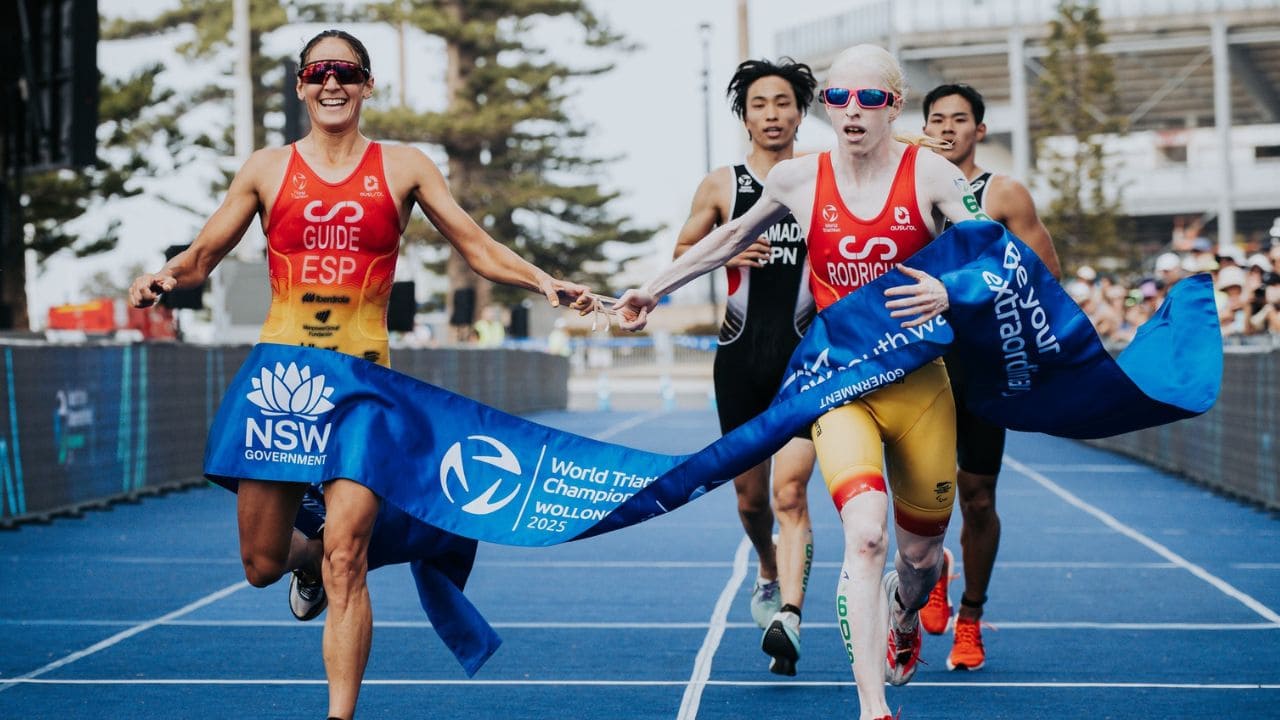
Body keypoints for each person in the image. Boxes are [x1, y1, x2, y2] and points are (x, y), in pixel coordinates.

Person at [127, 30, 594, 720]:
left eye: (346, 71)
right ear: (301, 87)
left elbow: (476, 246)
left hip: (364, 385)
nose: (332, 83)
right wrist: (163, 276)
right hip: (283, 379)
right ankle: (305, 561)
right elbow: (201, 256)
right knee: (261, 565)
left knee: (349, 554)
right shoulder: (266, 169)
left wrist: (543, 282)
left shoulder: (403, 167)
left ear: (367, 84)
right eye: (318, 72)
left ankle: (339, 713)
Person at [615, 44, 991, 720]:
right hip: (839, 384)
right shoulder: (798, 180)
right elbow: (724, 241)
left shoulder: (930, 173)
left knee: (919, 554)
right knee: (867, 534)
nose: (852, 111)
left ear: (893, 106)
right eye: (839, 98)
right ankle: (873, 706)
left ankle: (907, 618)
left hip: (919, 387)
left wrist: (949, 288)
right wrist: (650, 290)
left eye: (869, 99)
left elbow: (995, 254)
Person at [672, 57, 819, 675]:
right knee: (752, 501)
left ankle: (789, 614)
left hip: (806, 360)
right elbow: (681, 253)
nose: (773, 115)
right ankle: (766, 567)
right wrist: (727, 246)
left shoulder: (824, 179)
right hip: (738, 359)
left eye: (783, 103)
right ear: (744, 116)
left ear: (800, 112)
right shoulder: (722, 184)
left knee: (791, 492)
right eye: (760, 104)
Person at [916, 83, 1062, 671]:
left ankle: (970, 619)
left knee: (977, 499)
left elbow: (1047, 275)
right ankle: (932, 568)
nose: (947, 129)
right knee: (921, 497)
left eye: (959, 119)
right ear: (922, 128)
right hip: (917, 363)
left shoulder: (1003, 194)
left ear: (980, 129)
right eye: (936, 119)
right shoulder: (905, 192)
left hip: (982, 365)